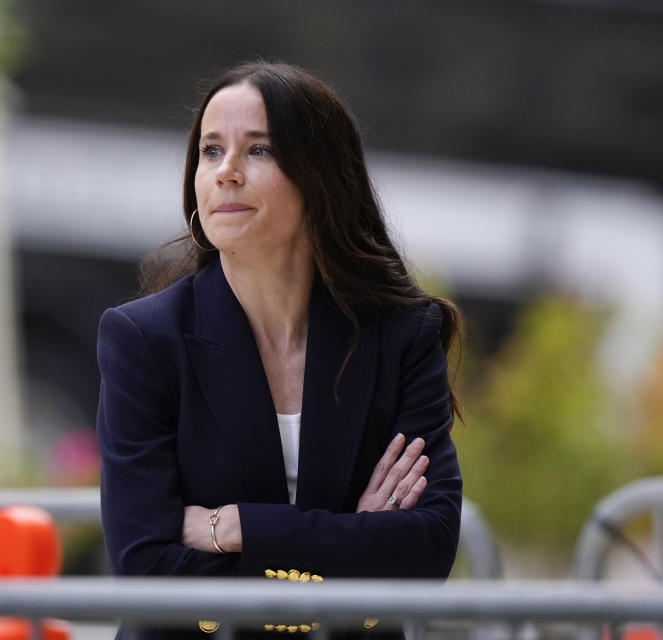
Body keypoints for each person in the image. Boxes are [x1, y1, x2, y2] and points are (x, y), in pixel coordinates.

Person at [96, 61, 463, 639]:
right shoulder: (145, 339)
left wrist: (235, 527)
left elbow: (428, 549)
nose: (227, 173)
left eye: (259, 151)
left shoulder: (401, 336)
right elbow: (146, 568)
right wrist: (350, 542)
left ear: (320, 177)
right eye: (211, 151)